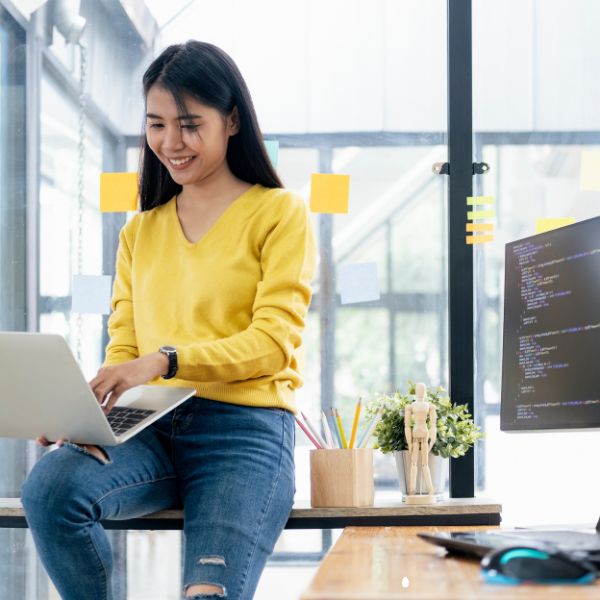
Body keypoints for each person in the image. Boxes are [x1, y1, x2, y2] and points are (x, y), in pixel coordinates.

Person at [21, 40, 316, 600]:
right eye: (156, 124)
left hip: (243, 431)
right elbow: (124, 344)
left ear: (231, 121)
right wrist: (91, 417)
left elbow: (273, 342)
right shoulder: (140, 232)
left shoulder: (279, 213)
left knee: (207, 595)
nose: (170, 143)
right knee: (51, 489)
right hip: (148, 425)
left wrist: (166, 360)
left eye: (188, 124)